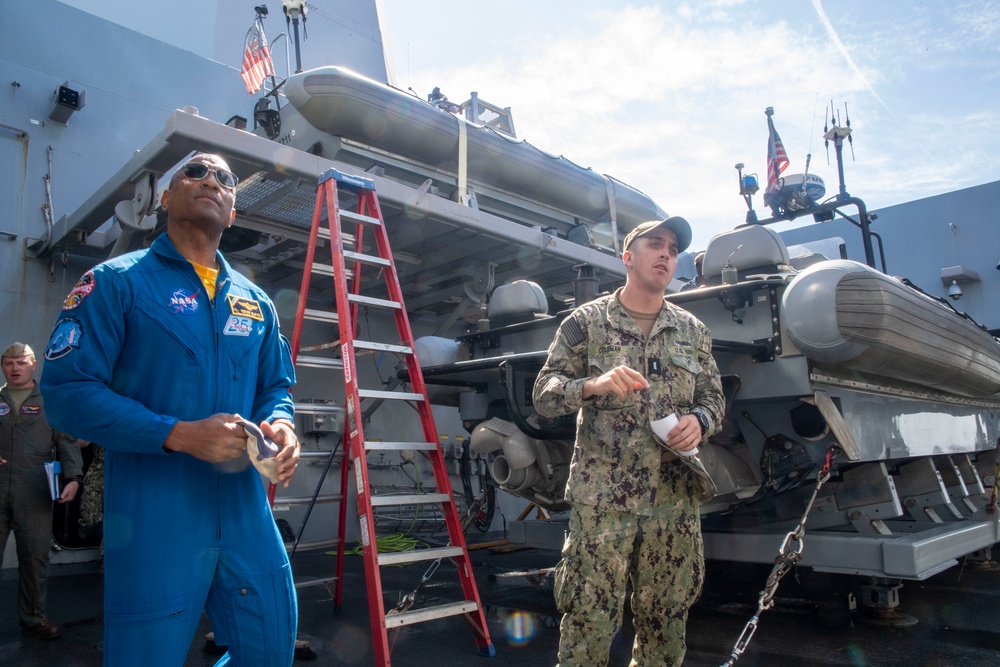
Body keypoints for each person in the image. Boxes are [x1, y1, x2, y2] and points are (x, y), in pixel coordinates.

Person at [41, 153, 301, 666]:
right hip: (153, 518)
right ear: (164, 199)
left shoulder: (255, 302)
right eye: (195, 172)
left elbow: (276, 386)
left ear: (233, 213)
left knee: (271, 647)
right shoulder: (116, 282)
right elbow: (66, 393)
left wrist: (284, 424)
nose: (211, 181)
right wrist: (177, 434)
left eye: (225, 179)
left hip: (248, 515)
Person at [532, 216, 725, 666]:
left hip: (673, 502)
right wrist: (592, 386)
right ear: (628, 257)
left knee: (666, 619)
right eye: (655, 244)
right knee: (588, 618)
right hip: (603, 500)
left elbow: (713, 397)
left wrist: (700, 420)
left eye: (673, 249)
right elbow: (543, 394)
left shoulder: (692, 331)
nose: (665, 254)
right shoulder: (587, 322)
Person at [0, 342, 83, 640]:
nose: (15, 368)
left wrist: (73, 478)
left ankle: (34, 619)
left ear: (33, 365)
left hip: (34, 493)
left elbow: (67, 442)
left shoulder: (49, 400)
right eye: (9, 363)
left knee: (35, 558)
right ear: (3, 367)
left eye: (21, 362)